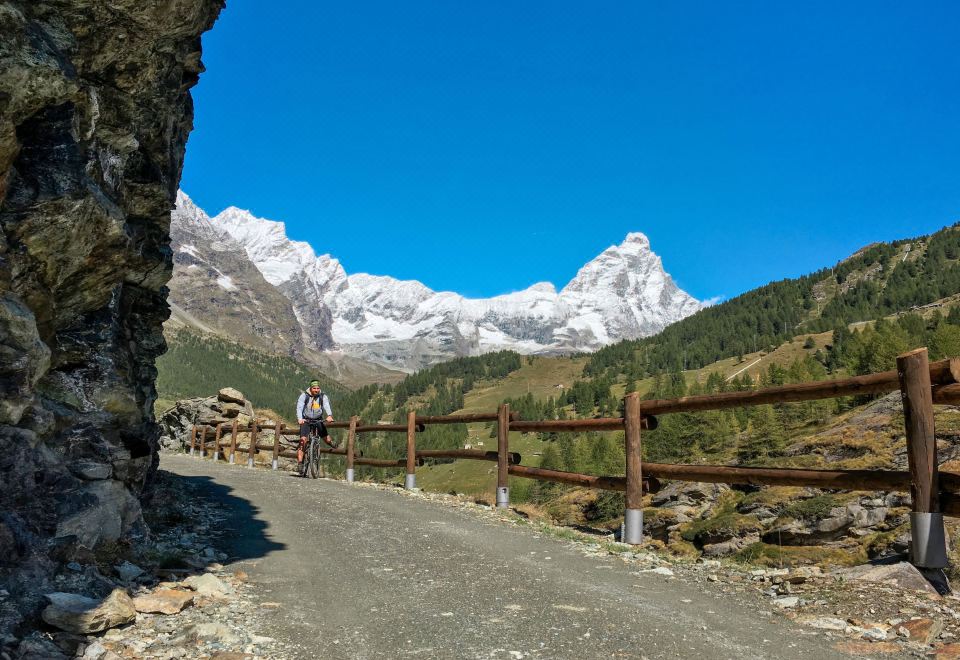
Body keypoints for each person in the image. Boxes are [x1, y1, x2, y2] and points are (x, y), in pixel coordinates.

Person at [295, 380, 336, 477]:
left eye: (318, 388)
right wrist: (300, 419)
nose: (316, 390)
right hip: (306, 420)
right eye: (314, 388)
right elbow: (299, 407)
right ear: (311, 388)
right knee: (303, 441)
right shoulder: (304, 396)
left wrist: (329, 415)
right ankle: (300, 463)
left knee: (327, 439)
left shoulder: (322, 396)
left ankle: (333, 446)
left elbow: (326, 405)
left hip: (318, 420)